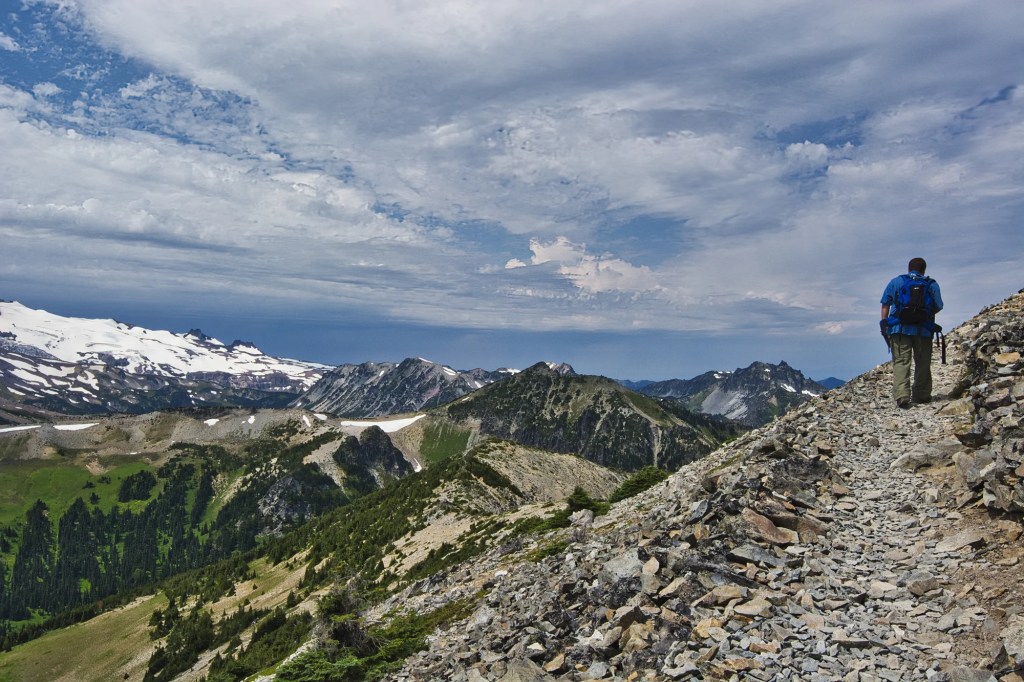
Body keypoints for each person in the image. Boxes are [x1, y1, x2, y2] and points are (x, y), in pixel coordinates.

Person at [880, 258, 943, 408]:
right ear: (924, 269)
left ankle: (902, 395)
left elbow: (885, 303)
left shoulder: (897, 282)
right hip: (923, 330)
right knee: (922, 362)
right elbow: (939, 305)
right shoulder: (931, 284)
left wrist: (885, 323)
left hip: (899, 329)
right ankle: (921, 394)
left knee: (901, 361)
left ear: (909, 268)